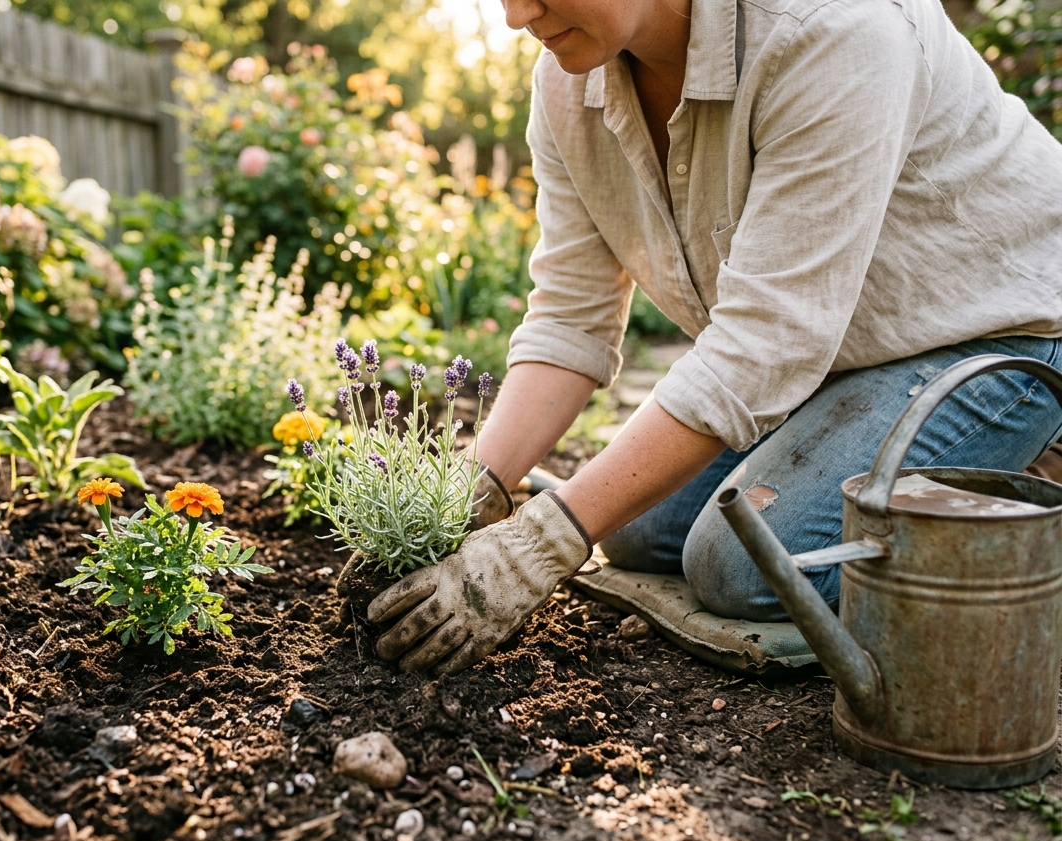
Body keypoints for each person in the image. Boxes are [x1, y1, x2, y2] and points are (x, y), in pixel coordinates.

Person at [368, 0, 1062, 675]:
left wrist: (539, 544)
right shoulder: (569, 79)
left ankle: (1016, 509)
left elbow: (764, 344)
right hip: (835, 354)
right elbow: (569, 314)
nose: (516, 16)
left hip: (998, 339)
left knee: (741, 569)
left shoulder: (834, 29)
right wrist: (468, 488)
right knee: (630, 529)